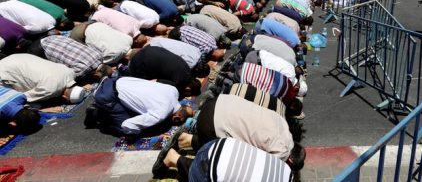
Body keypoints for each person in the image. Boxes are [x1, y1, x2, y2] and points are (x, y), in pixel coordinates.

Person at [87, 76, 192, 136]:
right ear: (176, 118)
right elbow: (127, 125)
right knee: (126, 129)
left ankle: (103, 96)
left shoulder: (173, 90)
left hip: (118, 79)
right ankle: (97, 114)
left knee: (137, 111)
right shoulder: (160, 113)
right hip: (108, 96)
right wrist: (141, 132)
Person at [158, 137, 294, 182]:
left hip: (223, 143)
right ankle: (174, 159)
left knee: (214, 166)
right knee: (206, 171)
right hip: (214, 163)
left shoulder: (288, 173)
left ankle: (176, 156)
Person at [0, 54, 85, 104]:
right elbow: (24, 97)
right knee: (7, 98)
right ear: (64, 97)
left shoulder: (70, 72)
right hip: (4, 69)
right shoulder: (50, 90)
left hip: (18, 56)